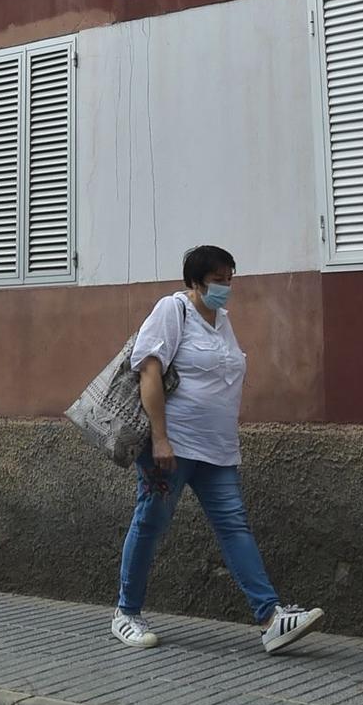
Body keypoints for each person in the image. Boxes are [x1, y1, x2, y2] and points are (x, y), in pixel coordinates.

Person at [112, 244, 324, 655]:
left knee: (234, 526)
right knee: (150, 523)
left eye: (229, 279)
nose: (225, 287)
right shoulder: (172, 311)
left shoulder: (221, 321)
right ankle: (126, 612)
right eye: (216, 280)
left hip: (217, 449)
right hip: (172, 447)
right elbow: (149, 373)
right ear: (194, 282)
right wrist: (160, 438)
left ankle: (271, 619)